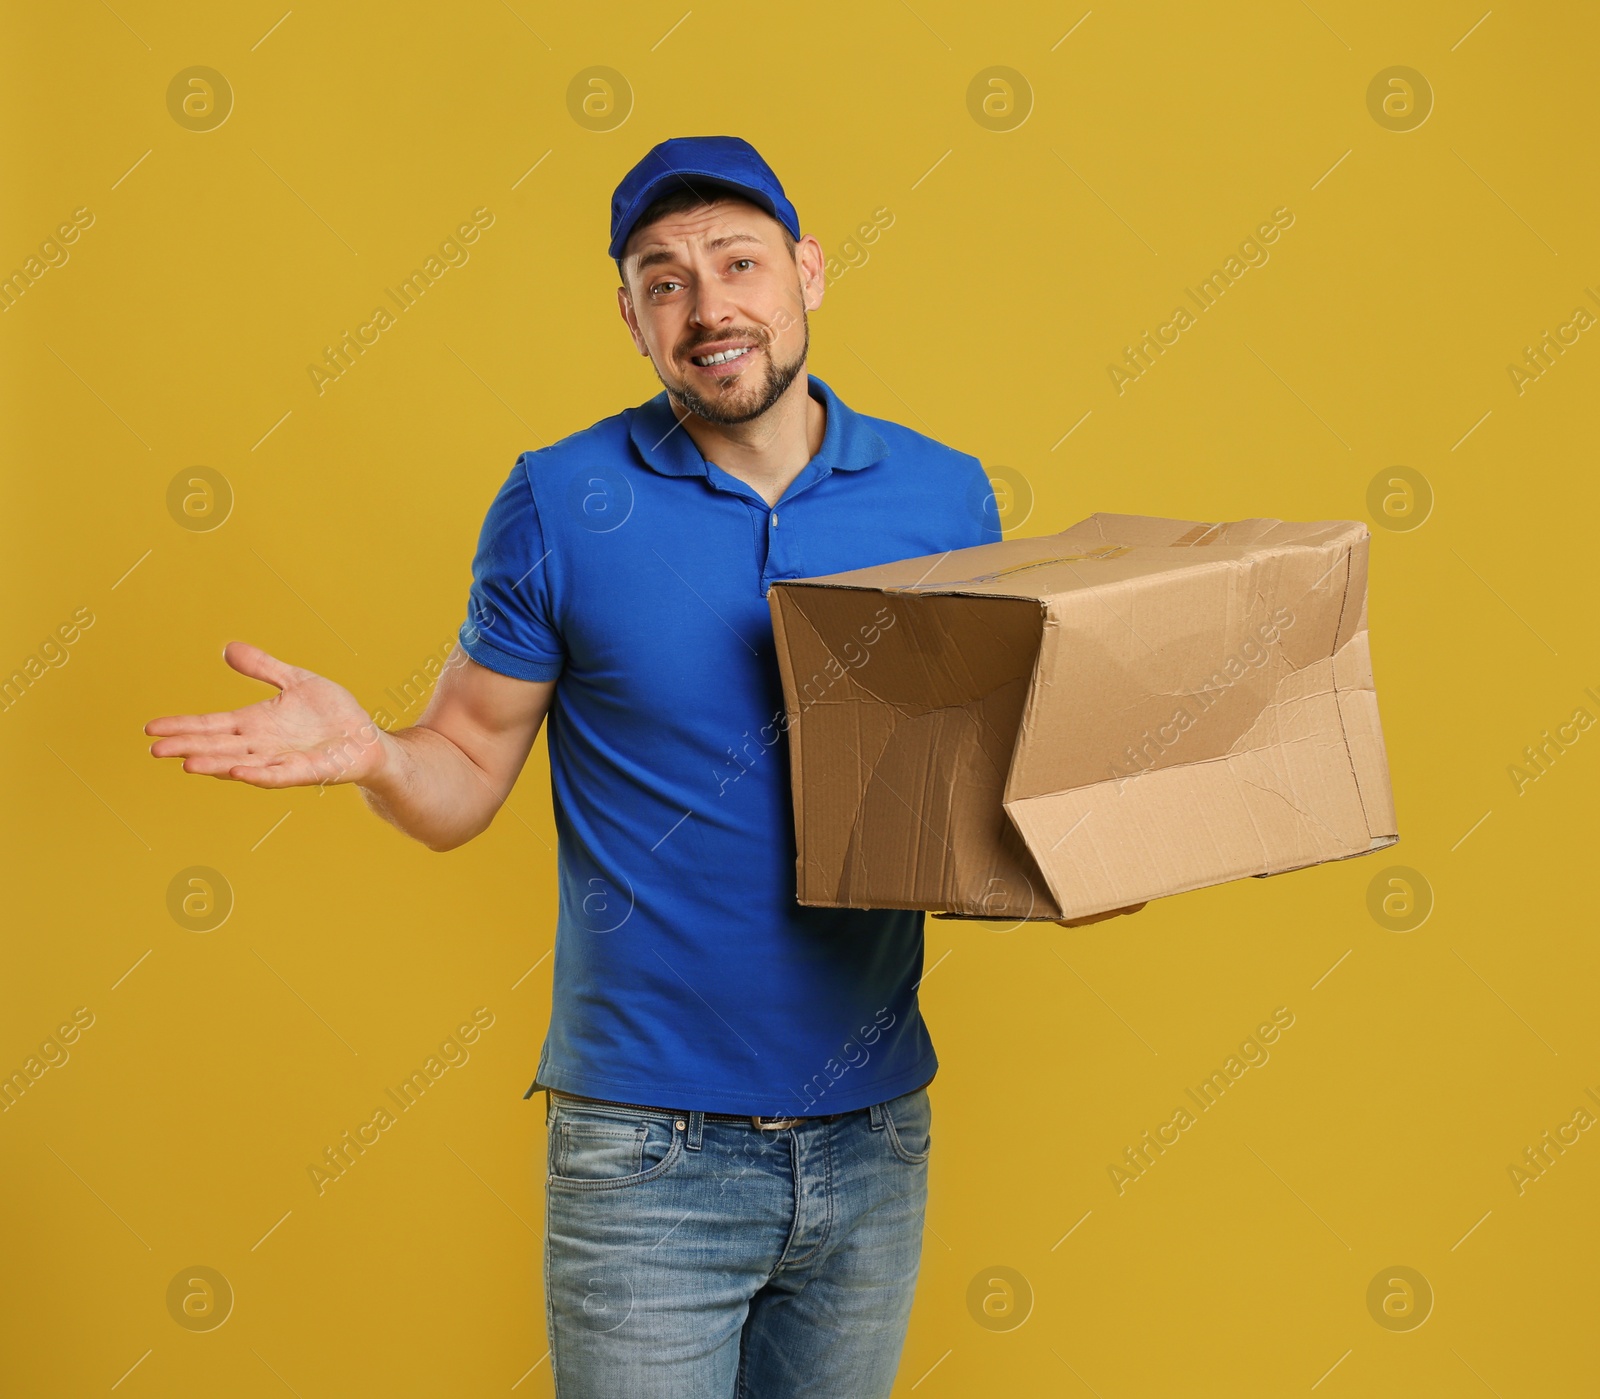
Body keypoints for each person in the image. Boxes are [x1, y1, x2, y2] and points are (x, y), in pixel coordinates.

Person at [146, 135, 1140, 1397]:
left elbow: (954, 792)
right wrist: (377, 755)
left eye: (739, 262)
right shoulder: (561, 500)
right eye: (665, 278)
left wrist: (1085, 848)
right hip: (647, 1150)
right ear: (631, 316)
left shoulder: (943, 497)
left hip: (876, 1129)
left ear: (808, 272)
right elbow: (461, 768)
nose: (710, 304)